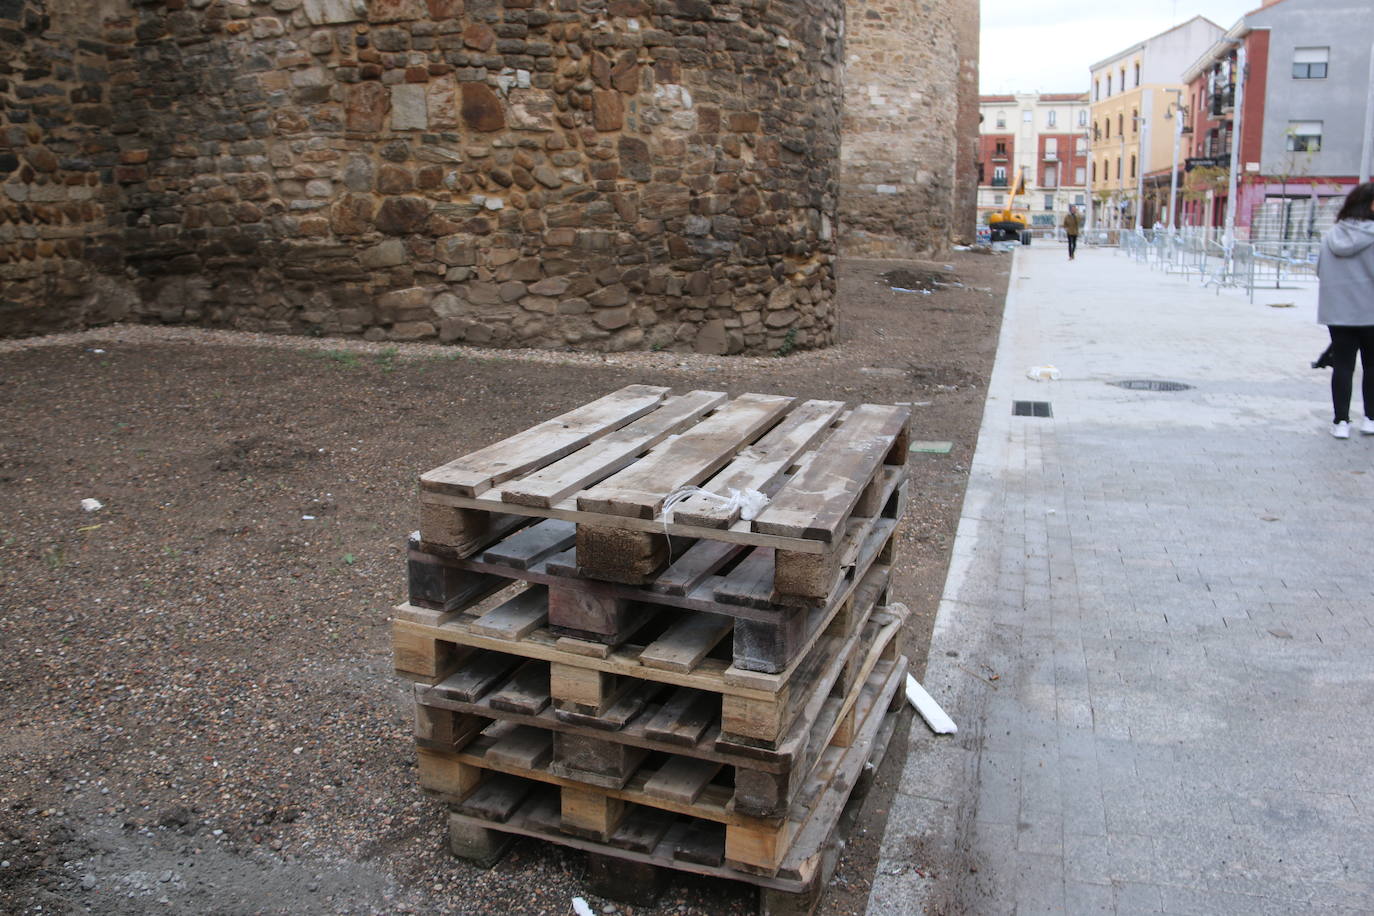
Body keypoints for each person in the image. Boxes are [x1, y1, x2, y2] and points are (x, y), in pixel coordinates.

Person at [1316, 182, 1374, 439]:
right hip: (1371, 314)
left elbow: (1319, 271)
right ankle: (1370, 419)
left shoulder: (1331, 236)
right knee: (1372, 367)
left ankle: (1341, 422)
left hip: (1338, 313)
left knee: (1343, 367)